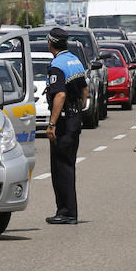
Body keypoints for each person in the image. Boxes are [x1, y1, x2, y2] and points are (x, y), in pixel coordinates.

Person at [44, 27, 87, 225]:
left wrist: (52, 123)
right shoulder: (75, 60)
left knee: (61, 168)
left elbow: (60, 95)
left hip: (63, 121)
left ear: (50, 43)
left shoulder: (57, 65)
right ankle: (67, 210)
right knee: (68, 165)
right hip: (74, 117)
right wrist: (79, 109)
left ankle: (67, 212)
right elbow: (85, 89)